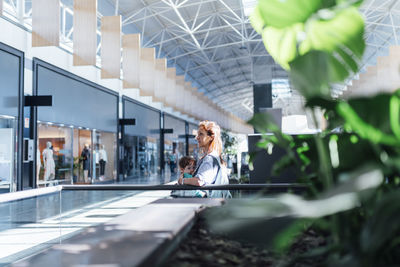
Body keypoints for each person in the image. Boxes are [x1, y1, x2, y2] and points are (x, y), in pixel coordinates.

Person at [179, 121, 231, 198]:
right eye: (198, 134)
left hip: (211, 205)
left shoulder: (209, 158)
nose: (197, 137)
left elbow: (199, 181)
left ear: (211, 137)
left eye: (201, 134)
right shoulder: (213, 156)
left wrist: (182, 181)